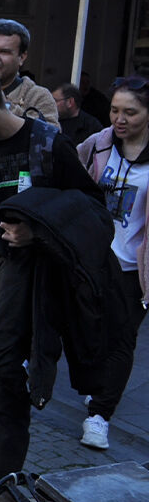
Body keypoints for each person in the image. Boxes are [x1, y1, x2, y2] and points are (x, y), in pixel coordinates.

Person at [0, 61, 106, 492]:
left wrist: (36, 228)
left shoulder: (49, 143)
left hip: (25, 285)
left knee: (8, 383)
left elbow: (91, 208)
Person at [75, 74, 149, 450]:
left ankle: (100, 415)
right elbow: (70, 177)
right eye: (115, 110)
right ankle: (93, 386)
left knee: (122, 340)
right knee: (86, 331)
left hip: (134, 269)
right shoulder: (98, 145)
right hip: (90, 258)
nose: (119, 119)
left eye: (130, 113)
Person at [0, 18, 58, 127]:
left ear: (22, 57)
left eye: (3, 52)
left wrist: (3, 105)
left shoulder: (38, 97)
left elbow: (49, 139)